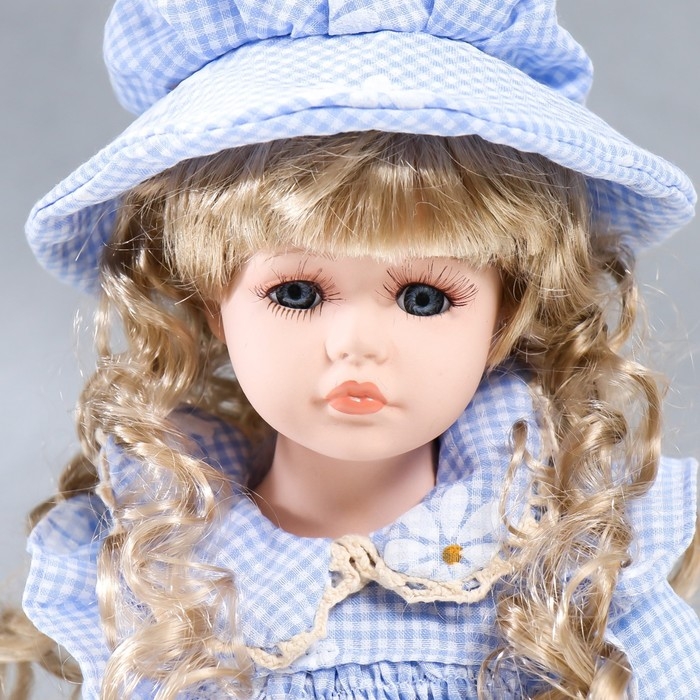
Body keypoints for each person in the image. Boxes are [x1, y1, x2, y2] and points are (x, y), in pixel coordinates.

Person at [3, 1, 699, 698]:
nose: (357, 346)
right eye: (297, 293)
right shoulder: (161, 571)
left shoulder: (572, 567)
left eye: (424, 298)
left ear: (505, 315)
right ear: (212, 304)